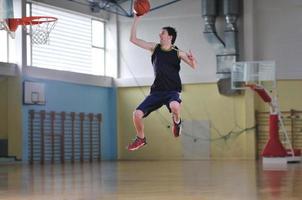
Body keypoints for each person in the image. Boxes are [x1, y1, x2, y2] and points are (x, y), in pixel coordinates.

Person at [127, 14, 197, 151]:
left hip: (172, 91)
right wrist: (136, 19)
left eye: (162, 33)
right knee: (136, 114)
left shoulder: (178, 52)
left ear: (170, 37)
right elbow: (133, 39)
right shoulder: (155, 48)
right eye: (160, 33)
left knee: (175, 106)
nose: (160, 35)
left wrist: (193, 59)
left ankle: (177, 122)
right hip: (157, 92)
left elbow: (194, 66)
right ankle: (141, 138)